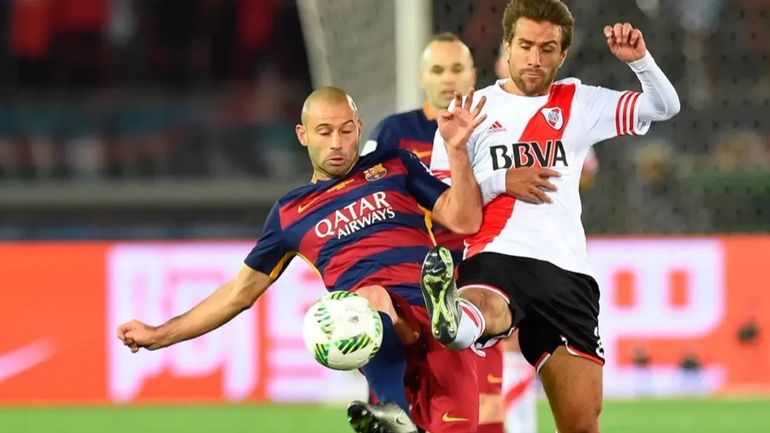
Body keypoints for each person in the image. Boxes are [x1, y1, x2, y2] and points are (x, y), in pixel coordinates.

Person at [117, 86, 491, 433]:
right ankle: (397, 413)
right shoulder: (291, 213)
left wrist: (457, 151)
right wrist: (160, 334)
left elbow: (465, 220)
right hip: (374, 334)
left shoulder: (395, 164)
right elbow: (238, 293)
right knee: (366, 300)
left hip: (439, 325)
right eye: (324, 131)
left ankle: (412, 383)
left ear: (359, 128)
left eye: (346, 131)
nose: (337, 143)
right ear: (302, 134)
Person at [421, 1, 681, 433]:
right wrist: (499, 177)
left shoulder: (580, 101)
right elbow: (457, 217)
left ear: (563, 54)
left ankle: (459, 323)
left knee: (581, 422)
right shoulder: (468, 113)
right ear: (506, 46)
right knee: (483, 304)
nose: (535, 59)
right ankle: (453, 321)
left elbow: (664, 106)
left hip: (566, 272)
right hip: (496, 255)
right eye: (524, 46)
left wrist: (642, 63)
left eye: (547, 49)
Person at [368, 32, 558, 433]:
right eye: (437, 70)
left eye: (457, 68)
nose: (447, 79)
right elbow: (369, 204)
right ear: (422, 77)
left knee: (484, 408)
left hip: (476, 282)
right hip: (409, 286)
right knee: (404, 407)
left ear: (473, 75)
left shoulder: (497, 127)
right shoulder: (394, 134)